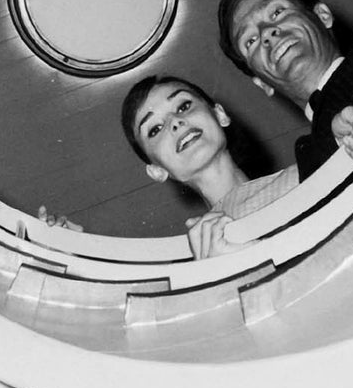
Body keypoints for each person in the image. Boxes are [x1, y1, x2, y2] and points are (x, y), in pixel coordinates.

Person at [216, 0, 353, 180]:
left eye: (277, 12)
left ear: (323, 15)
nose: (266, 32)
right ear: (262, 83)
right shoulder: (310, 160)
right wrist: (333, 137)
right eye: (250, 41)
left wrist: (334, 119)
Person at [120, 74, 298, 258]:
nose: (175, 121)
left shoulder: (305, 174)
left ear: (220, 115)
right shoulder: (198, 260)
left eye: (183, 106)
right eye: (155, 129)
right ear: (157, 171)